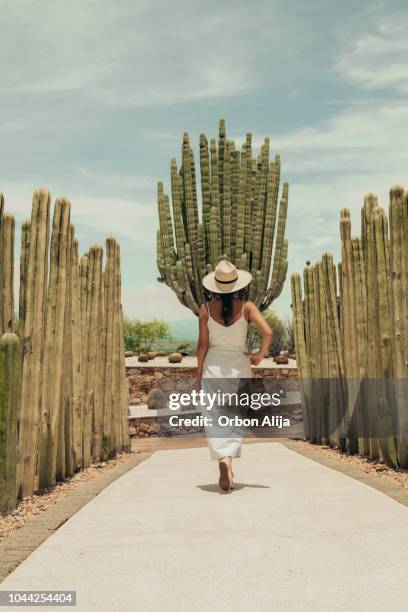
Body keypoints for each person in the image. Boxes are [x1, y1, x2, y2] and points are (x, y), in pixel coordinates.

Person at [197, 259, 273, 492]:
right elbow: (268, 332)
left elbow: (202, 344)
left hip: (214, 364)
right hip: (239, 365)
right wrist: (260, 355)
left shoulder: (205, 309)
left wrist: (199, 371)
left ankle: (222, 459)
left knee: (214, 414)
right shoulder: (247, 307)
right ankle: (228, 458)